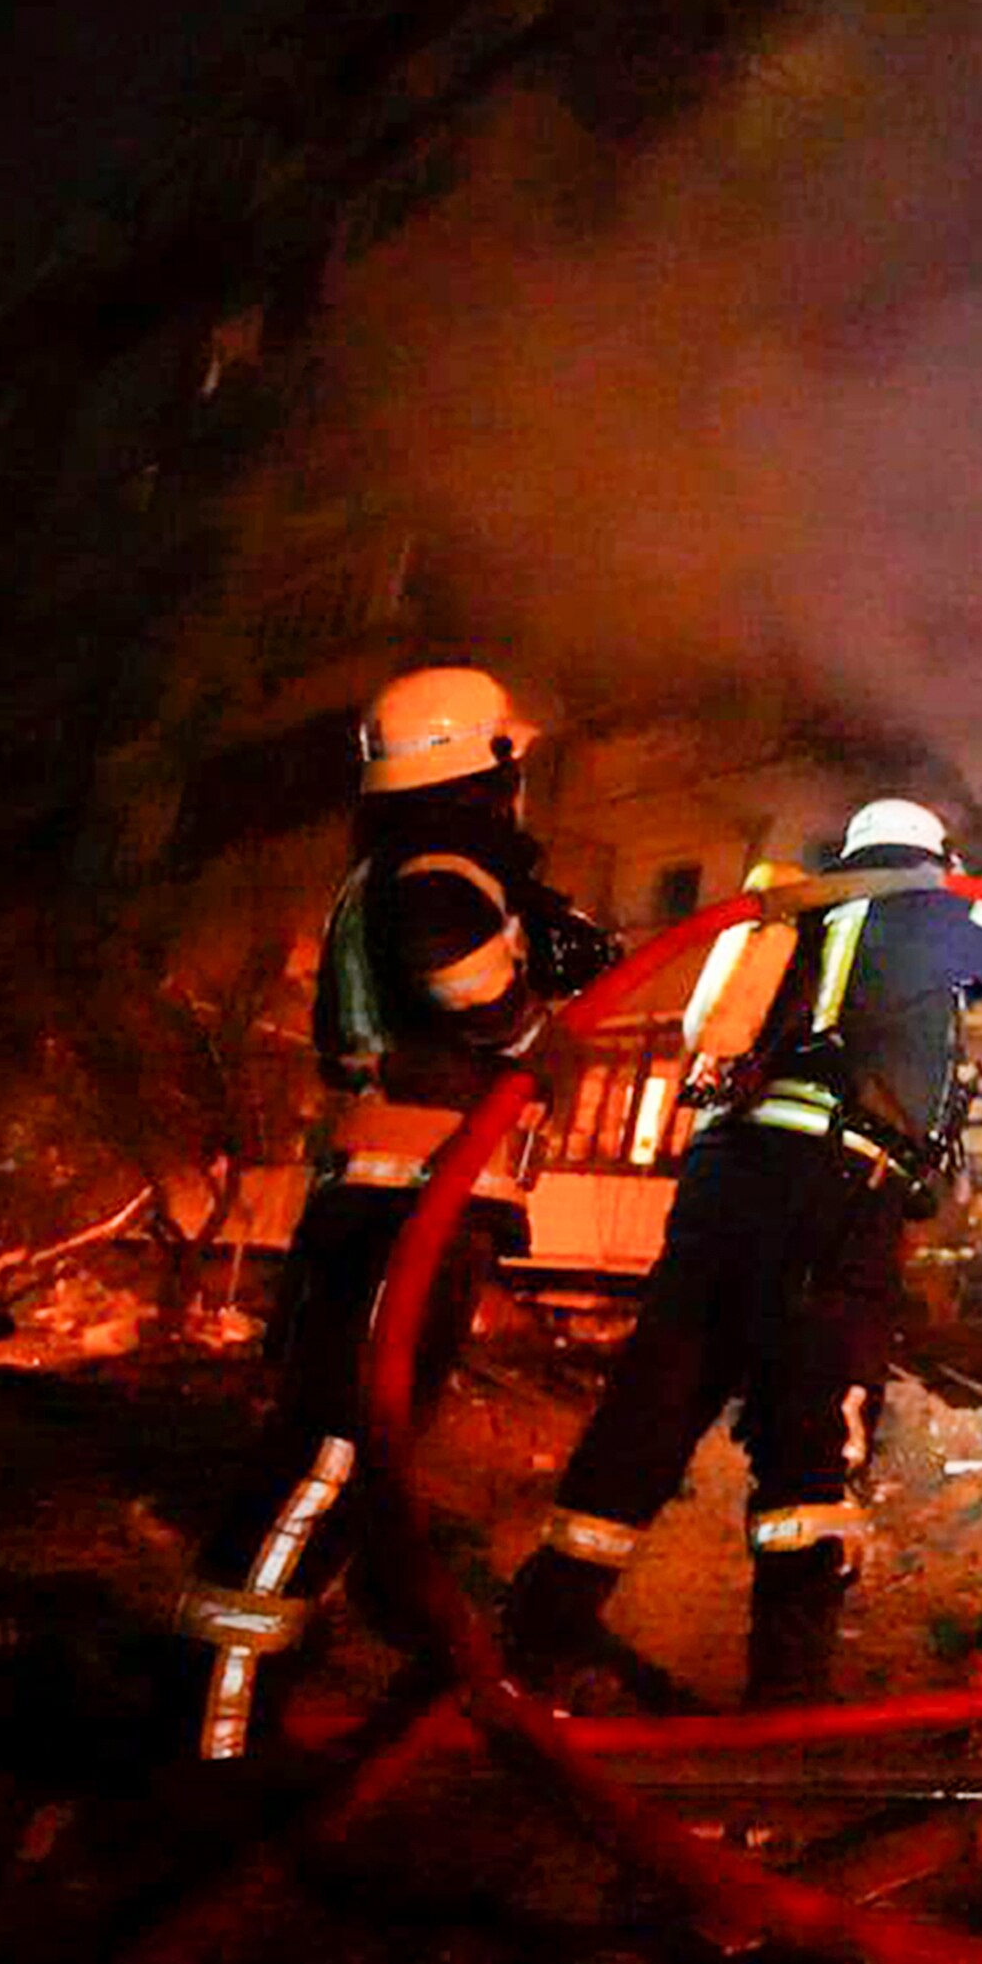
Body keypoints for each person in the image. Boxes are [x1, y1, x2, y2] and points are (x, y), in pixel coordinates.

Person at [502, 796, 982, 1705]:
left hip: (721, 1179)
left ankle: (537, 1638)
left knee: (656, 1401)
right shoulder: (933, 905)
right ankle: (786, 1704)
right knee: (810, 1433)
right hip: (829, 1194)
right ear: (933, 856)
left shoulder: (793, 914)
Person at [170, 664, 616, 1762]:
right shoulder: (435, 865)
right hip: (406, 1198)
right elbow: (448, 952)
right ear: (488, 765)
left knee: (364, 1440)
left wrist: (553, 941)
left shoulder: (420, 862)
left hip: (406, 1196)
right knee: (332, 1445)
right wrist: (523, 1031)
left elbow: (506, 944)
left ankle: (294, 1654)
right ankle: (217, 1717)